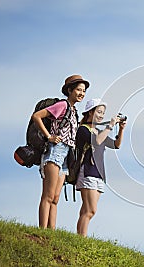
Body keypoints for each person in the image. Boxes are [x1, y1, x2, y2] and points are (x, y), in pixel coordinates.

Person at [31, 74, 89, 229]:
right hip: (55, 152)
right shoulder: (62, 105)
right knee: (48, 195)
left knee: (56, 198)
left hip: (65, 156)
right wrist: (49, 136)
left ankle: (51, 232)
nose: (81, 93)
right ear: (69, 90)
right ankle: (42, 230)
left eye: (83, 91)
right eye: (78, 89)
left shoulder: (74, 111)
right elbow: (36, 116)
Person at [75, 98, 126, 236]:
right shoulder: (83, 130)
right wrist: (109, 126)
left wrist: (120, 129)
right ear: (90, 112)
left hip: (98, 174)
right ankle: (82, 239)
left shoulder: (99, 131)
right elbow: (96, 141)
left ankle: (80, 237)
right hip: (87, 171)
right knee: (91, 210)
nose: (101, 115)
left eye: (103, 113)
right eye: (99, 112)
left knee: (87, 209)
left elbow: (116, 145)